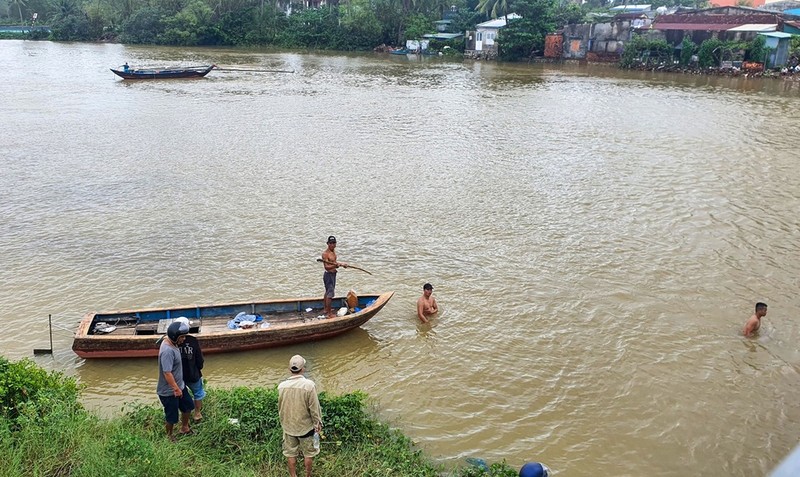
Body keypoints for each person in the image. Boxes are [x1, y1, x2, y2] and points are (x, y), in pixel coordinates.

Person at [278, 355, 323, 477]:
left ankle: (293, 476)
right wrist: (317, 424)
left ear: (289, 369)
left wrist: (284, 423)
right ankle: (308, 475)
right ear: (303, 369)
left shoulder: (281, 386)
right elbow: (314, 409)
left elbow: (281, 407)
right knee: (308, 453)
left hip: (288, 427)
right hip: (306, 428)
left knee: (290, 454)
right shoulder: (309, 385)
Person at [157, 321, 195, 441]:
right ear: (174, 336)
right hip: (169, 391)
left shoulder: (171, 343)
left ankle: (184, 428)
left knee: (188, 406)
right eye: (182, 337)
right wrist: (176, 389)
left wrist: (180, 387)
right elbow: (167, 373)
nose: (184, 339)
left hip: (180, 386)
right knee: (172, 417)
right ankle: (169, 436)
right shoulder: (167, 351)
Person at [175, 317, 205, 422]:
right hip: (193, 374)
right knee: (198, 392)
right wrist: (199, 368)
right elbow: (199, 359)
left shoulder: (172, 343)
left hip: (179, 376)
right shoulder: (193, 341)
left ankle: (183, 414)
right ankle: (197, 413)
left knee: (181, 394)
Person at [321, 236, 348, 318]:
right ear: (327, 244)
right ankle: (329, 314)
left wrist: (342, 264)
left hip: (333, 275)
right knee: (330, 294)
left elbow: (334, 263)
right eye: (331, 243)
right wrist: (335, 266)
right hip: (328, 275)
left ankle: (326, 309)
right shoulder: (325, 254)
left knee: (327, 291)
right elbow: (326, 267)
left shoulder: (333, 252)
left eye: (334, 243)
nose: (332, 245)